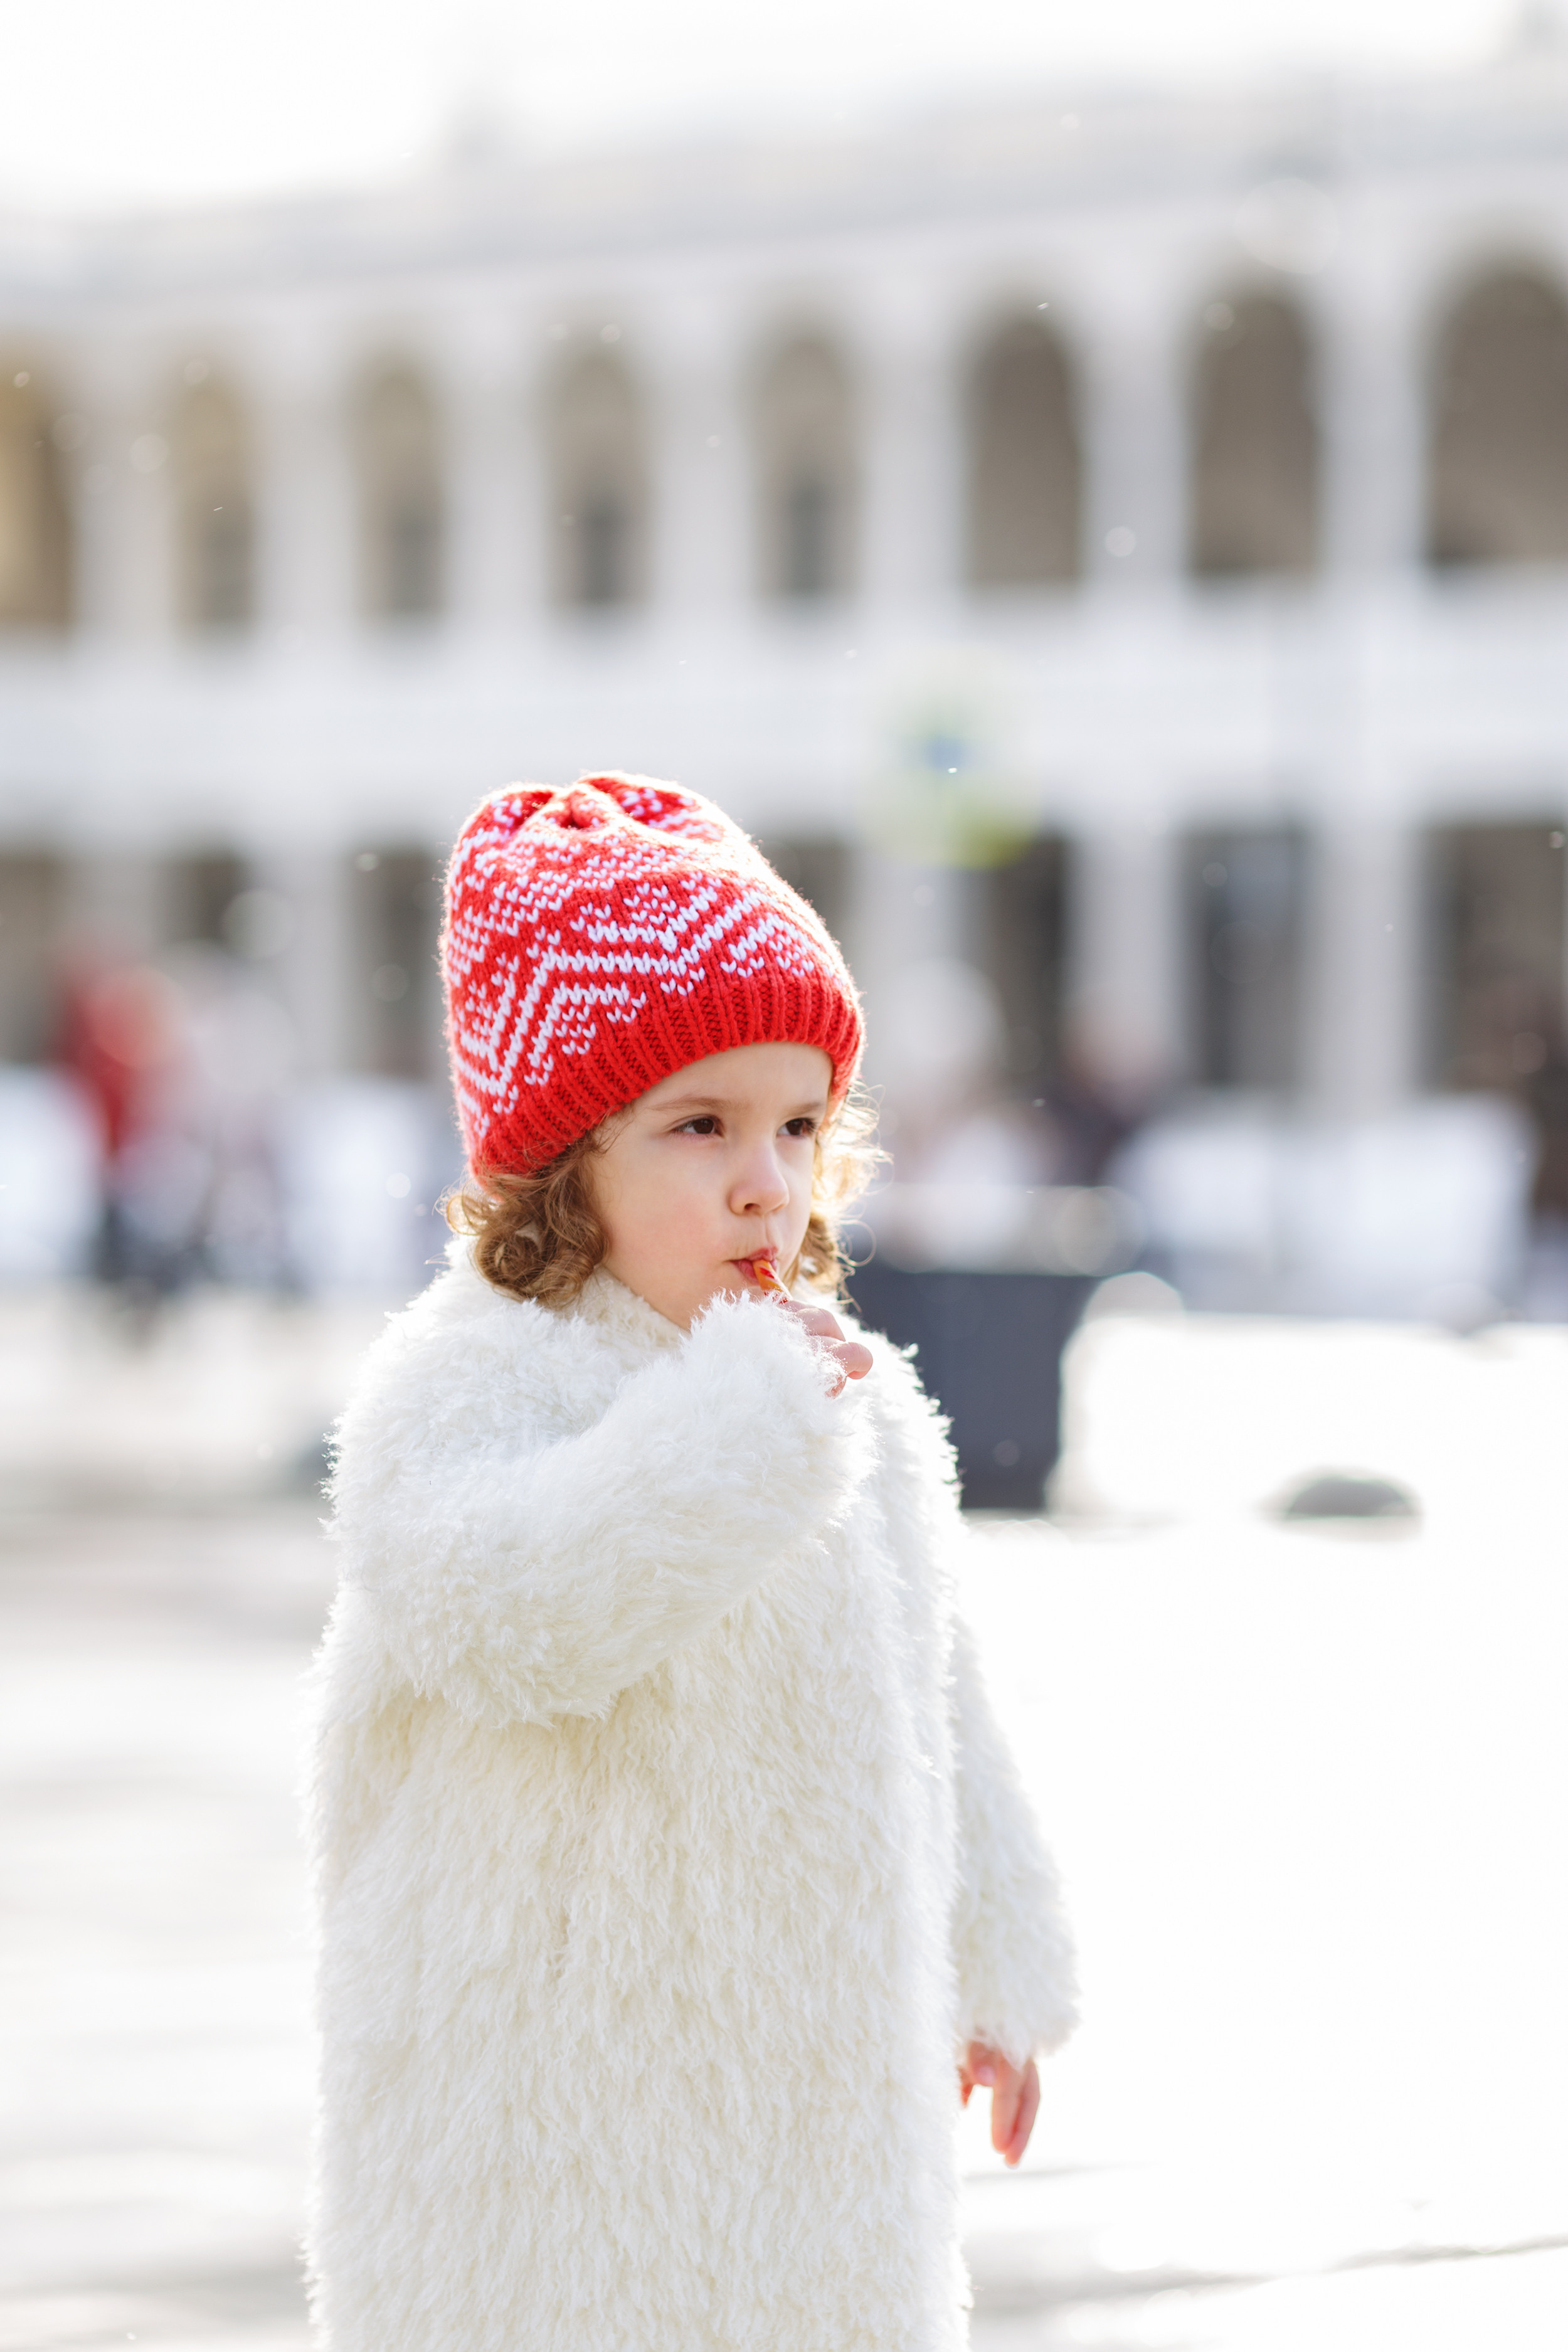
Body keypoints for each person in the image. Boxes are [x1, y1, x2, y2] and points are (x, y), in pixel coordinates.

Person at [305, 774, 1077, 2351]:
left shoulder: (833, 1388)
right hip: (538, 2148)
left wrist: (995, 1958)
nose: (764, 1182)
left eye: (799, 1125)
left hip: (808, 2144)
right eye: (699, 1126)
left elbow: (936, 1703)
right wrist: (742, 1433)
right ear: (562, 1155)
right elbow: (508, 1616)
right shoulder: (474, 1380)